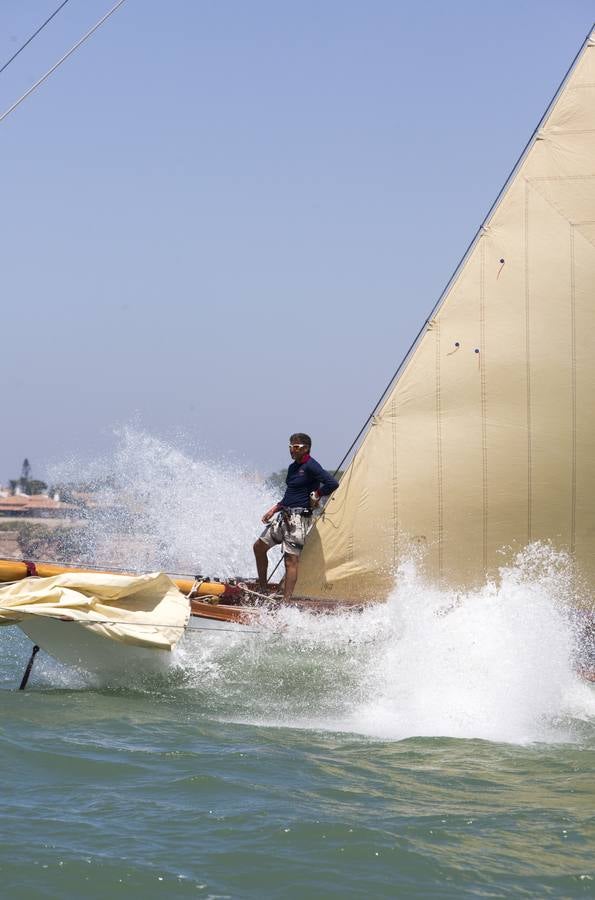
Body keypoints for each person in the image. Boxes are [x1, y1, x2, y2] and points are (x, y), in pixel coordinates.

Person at [253, 433, 339, 601]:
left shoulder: (311, 466)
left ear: (306, 448)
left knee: (290, 561)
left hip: (299, 520)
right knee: (258, 547)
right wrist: (274, 509)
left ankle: (286, 603)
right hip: (283, 517)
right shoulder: (293, 467)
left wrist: (318, 493)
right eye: (290, 446)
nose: (292, 450)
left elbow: (332, 483)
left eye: (296, 447)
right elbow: (290, 494)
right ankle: (262, 590)